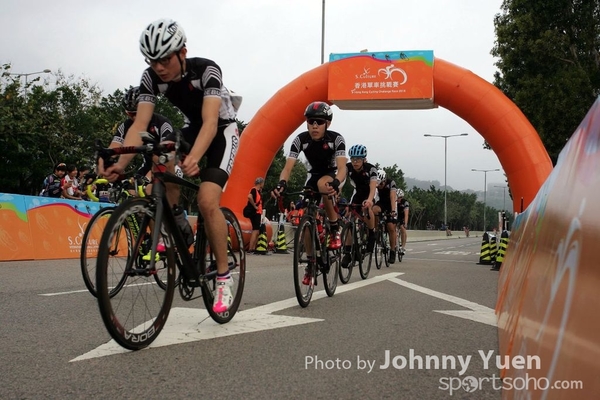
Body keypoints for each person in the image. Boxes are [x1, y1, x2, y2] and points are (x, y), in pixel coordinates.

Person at [100, 19, 240, 314]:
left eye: (164, 59)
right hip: (190, 129)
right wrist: (119, 162)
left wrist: (194, 157)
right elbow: (139, 124)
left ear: (182, 52)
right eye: (152, 60)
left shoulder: (207, 70)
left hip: (221, 131)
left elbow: (211, 122)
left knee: (207, 200)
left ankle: (223, 277)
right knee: (160, 160)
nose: (159, 67)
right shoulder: (151, 77)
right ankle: (176, 219)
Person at [271, 101, 347, 284]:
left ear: (327, 123)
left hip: (333, 175)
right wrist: (281, 184)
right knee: (306, 216)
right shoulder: (301, 140)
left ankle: (334, 228)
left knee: (323, 185)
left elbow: (343, 168)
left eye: (319, 122)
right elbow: (287, 168)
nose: (314, 125)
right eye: (311, 121)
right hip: (312, 176)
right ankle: (311, 264)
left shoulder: (336, 139)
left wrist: (336, 182)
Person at [341, 144, 378, 268]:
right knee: (349, 220)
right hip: (358, 193)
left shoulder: (371, 169)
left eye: (358, 159)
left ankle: (372, 233)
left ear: (364, 159)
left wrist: (370, 200)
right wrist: (337, 192)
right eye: (353, 159)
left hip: (370, 192)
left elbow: (373, 188)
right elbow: (341, 181)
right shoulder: (348, 167)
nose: (355, 162)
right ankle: (347, 252)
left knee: (367, 207)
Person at [372, 169, 398, 264]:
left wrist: (393, 210)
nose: (380, 186)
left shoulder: (391, 183)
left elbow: (392, 197)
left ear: (385, 180)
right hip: (381, 203)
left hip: (391, 204)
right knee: (374, 210)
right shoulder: (376, 184)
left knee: (391, 227)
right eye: (379, 184)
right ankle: (376, 229)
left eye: (382, 184)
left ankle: (392, 251)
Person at [245, 177, 265, 253]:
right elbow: (249, 197)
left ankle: (253, 247)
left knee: (256, 230)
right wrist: (254, 206)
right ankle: (251, 248)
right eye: (263, 183)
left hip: (258, 212)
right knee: (255, 230)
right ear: (260, 183)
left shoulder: (258, 191)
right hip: (255, 212)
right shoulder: (254, 190)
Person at [396, 188, 409, 256]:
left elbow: (406, 214)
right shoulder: (393, 201)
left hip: (402, 217)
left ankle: (403, 247)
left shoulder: (405, 202)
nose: (398, 199)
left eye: (400, 198)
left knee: (402, 228)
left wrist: (405, 224)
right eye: (397, 197)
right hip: (396, 216)